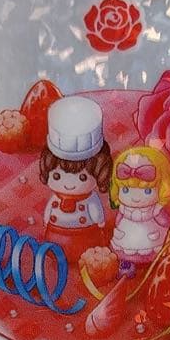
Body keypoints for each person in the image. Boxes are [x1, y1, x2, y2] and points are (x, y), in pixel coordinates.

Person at [39, 96, 113, 263]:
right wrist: (46, 219)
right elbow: (49, 210)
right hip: (56, 236)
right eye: (57, 176)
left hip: (86, 238)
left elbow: (96, 213)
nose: (69, 184)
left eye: (82, 177)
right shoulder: (56, 198)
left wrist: (100, 221)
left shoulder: (90, 200)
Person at [108, 146, 170, 277]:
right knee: (125, 249)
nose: (135, 198)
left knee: (156, 254)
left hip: (152, 239)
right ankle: (127, 264)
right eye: (126, 190)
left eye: (147, 191)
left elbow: (166, 222)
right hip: (126, 238)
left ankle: (155, 266)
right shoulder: (124, 208)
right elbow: (117, 221)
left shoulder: (155, 209)